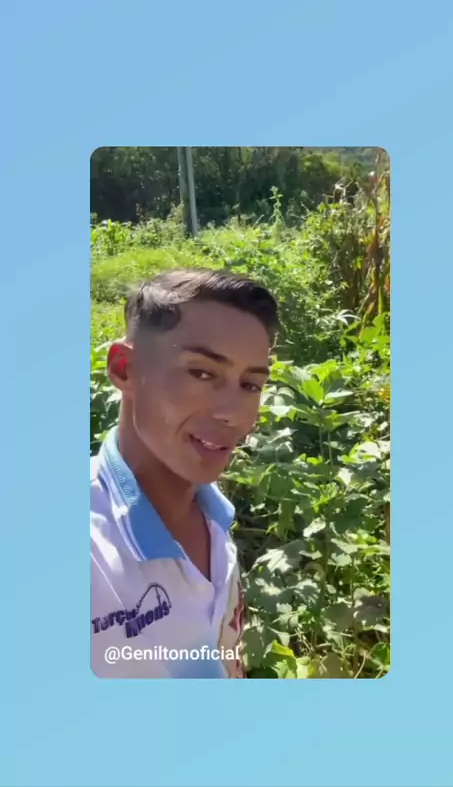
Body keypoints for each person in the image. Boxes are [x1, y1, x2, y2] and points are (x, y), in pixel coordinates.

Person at [91, 267, 278, 677]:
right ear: (125, 369)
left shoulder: (216, 521)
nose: (234, 415)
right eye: (202, 373)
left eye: (251, 385)